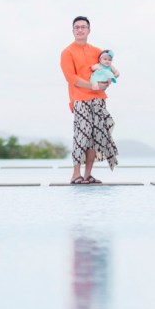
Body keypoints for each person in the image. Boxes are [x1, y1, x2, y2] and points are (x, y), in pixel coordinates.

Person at [60, 16, 119, 184]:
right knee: (82, 135)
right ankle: (75, 174)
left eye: (83, 27)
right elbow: (71, 77)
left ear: (89, 30)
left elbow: (105, 70)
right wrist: (92, 86)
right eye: (77, 27)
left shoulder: (97, 51)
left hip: (98, 99)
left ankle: (88, 175)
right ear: (73, 31)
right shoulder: (67, 52)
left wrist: (105, 84)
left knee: (95, 136)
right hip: (79, 98)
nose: (80, 29)